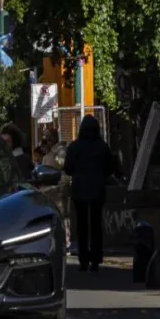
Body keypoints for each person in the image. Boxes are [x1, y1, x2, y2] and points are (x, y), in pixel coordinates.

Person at [63, 115, 120, 272]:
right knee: (96, 224)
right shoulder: (102, 147)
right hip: (97, 189)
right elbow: (111, 167)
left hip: (80, 190)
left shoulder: (74, 147)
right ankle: (96, 258)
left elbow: (68, 168)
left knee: (81, 225)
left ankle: (83, 259)